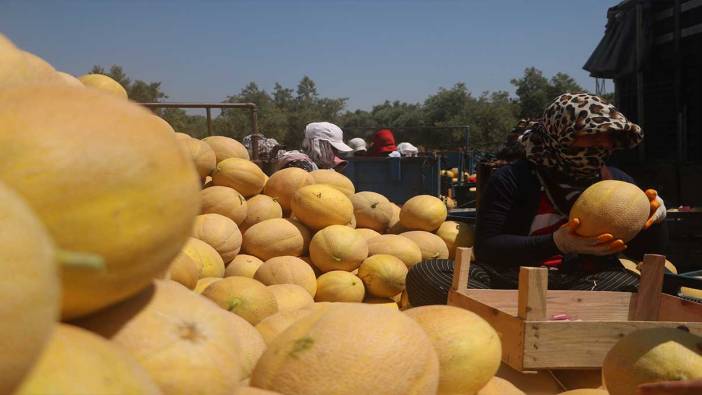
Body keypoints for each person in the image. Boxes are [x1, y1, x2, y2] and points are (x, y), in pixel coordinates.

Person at [406, 93, 668, 306]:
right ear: (560, 134)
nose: (603, 145)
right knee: (427, 274)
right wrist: (557, 242)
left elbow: (643, 254)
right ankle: (514, 325)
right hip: (510, 281)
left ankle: (508, 323)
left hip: (585, 283)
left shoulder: (618, 182)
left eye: (608, 137)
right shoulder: (513, 179)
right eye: (592, 135)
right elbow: (488, 247)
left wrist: (655, 220)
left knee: (631, 285)